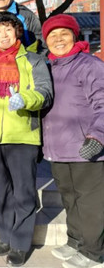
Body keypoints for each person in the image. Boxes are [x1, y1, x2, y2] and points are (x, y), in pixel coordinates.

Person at [0, 12, 52, 267]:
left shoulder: (32, 60)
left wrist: (26, 99)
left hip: (22, 134)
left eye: (8, 30)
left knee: (23, 192)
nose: (4, 35)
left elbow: (45, 92)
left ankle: (20, 243)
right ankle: (7, 237)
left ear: (17, 32)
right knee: (1, 192)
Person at [41, 14, 104, 268]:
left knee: (90, 202)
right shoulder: (48, 67)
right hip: (58, 149)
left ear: (74, 37)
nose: (58, 39)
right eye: (52, 36)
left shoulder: (89, 65)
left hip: (85, 147)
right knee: (69, 198)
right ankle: (75, 240)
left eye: (63, 34)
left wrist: (98, 136)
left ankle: (94, 253)